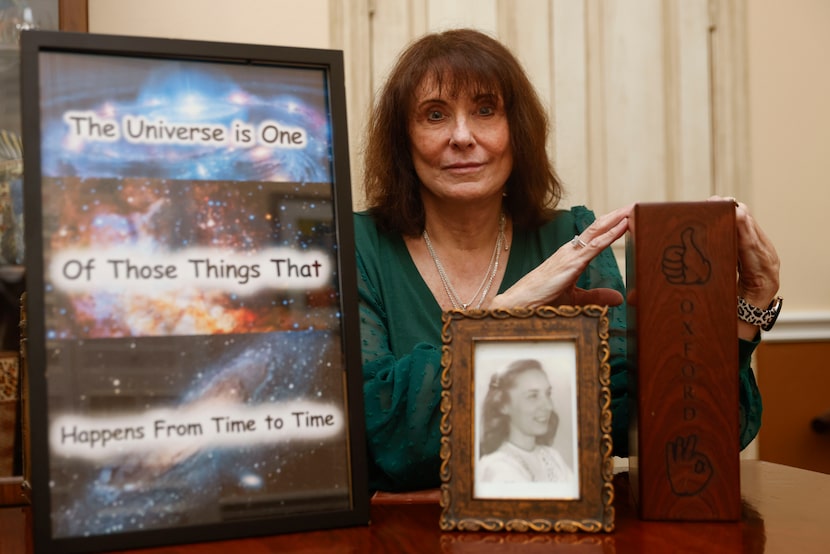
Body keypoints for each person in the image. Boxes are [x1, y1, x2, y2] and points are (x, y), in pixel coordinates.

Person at [355, 28, 779, 492]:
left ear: (518, 130)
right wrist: (504, 317)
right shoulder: (360, 245)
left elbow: (645, 428)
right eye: (435, 115)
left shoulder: (570, 238)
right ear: (404, 139)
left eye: (485, 110)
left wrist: (747, 306)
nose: (462, 136)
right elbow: (383, 437)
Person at [477, 358, 574, 485]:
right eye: (533, 396)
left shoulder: (552, 457)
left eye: (548, 394)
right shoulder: (496, 468)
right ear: (503, 405)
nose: (549, 406)